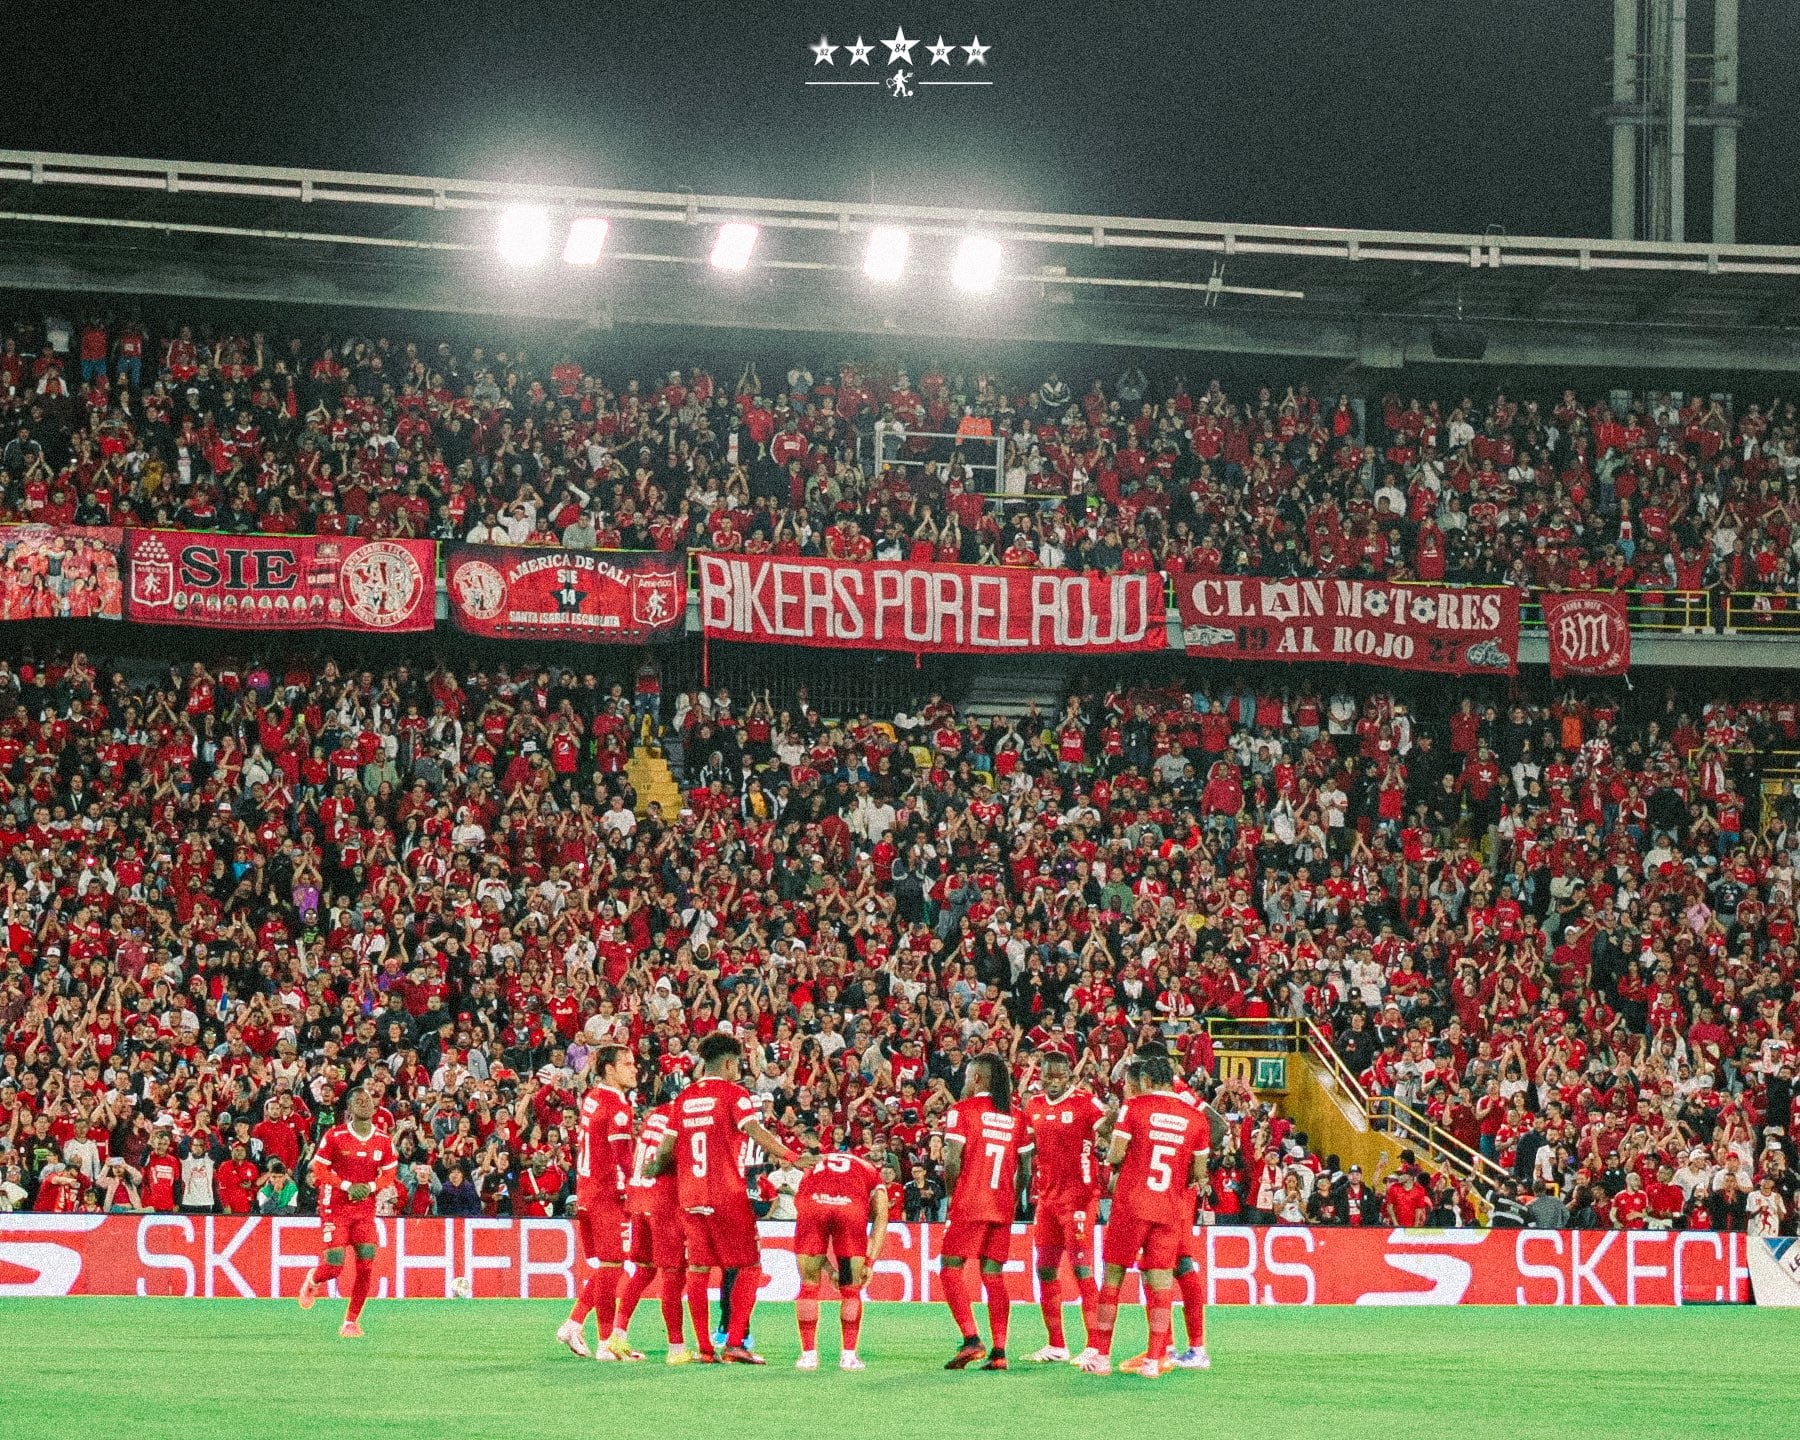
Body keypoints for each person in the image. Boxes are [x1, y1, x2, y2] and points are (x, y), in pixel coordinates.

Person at [651, 1030, 807, 1364]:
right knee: (749, 1266)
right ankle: (736, 1343)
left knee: (698, 1268)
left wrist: (651, 1171)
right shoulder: (734, 1094)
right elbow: (755, 1131)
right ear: (729, 1062)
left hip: (690, 1196)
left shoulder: (683, 1099)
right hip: (726, 1194)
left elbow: (665, 1153)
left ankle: (705, 1349)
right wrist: (791, 1157)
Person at [1080, 1053, 1209, 1379]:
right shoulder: (1195, 1117)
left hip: (1131, 1205)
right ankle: (1155, 1359)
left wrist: (1126, 1156)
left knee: (1113, 1281)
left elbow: (1116, 1154)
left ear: (1147, 1081)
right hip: (1169, 1208)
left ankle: (1102, 1356)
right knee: (1162, 1284)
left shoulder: (1134, 1108)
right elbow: (1199, 1173)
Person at [939, 1050, 1034, 1371]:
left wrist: (953, 1196)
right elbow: (1027, 1170)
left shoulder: (962, 1111)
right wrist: (1013, 1197)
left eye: (967, 1076)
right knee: (993, 1275)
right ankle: (999, 1351)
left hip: (970, 1201)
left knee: (951, 1268)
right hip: (1002, 1204)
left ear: (977, 1078)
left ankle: (970, 1339)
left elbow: (952, 1161)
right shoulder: (1017, 1117)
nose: (964, 1082)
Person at [558, 1044, 640, 1361]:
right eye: (627, 1063)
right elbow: (623, 1158)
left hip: (587, 1192)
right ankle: (606, 1343)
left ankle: (573, 1323)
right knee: (612, 1268)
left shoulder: (593, 1097)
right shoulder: (618, 1106)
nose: (634, 1068)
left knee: (609, 1267)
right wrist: (636, 1189)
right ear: (609, 1069)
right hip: (608, 1195)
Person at [1022, 1052, 1104, 1365]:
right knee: (1044, 1269)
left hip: (1079, 1200)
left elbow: (1110, 1125)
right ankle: (1056, 1345)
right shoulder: (1034, 1106)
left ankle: (1095, 1346)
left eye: (1059, 1076)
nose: (1053, 1081)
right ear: (1040, 1075)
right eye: (1047, 1076)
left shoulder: (1086, 1103)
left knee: (1082, 1270)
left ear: (1070, 1075)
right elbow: (1029, 1152)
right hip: (1047, 1201)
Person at [298, 1087, 398, 1338]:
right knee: (334, 1266)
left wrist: (371, 1187)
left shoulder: (383, 1141)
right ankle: (313, 1279)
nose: (365, 1103)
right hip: (335, 1207)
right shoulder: (335, 1136)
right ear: (350, 1108)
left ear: (376, 1107)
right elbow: (319, 1170)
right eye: (359, 1100)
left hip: (364, 1209)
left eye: (369, 1100)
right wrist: (347, 1186)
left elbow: (389, 1174)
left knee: (366, 1263)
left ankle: (350, 1322)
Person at [792, 1128, 888, 1371]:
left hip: (814, 1204)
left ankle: (808, 1356)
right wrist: (869, 1262)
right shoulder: (870, 1171)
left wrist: (827, 1269)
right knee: (851, 1290)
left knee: (809, 1286)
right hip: (850, 1209)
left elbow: (803, 1210)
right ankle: (848, 1356)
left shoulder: (814, 1168)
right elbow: (881, 1217)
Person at [612, 1099, 692, 1363]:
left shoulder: (653, 1119)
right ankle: (676, 1349)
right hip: (662, 1205)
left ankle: (618, 1335)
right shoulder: (679, 1120)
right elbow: (674, 1159)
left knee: (644, 1270)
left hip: (638, 1200)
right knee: (672, 1275)